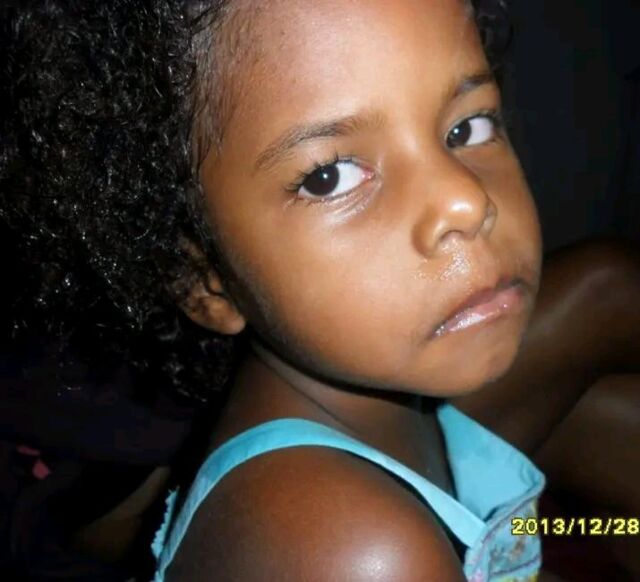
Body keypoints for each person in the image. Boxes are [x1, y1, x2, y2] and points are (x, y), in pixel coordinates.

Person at [2, 1, 637, 580]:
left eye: (466, 128)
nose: (465, 200)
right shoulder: (359, 552)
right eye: (328, 177)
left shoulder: (380, 396)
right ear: (204, 281)